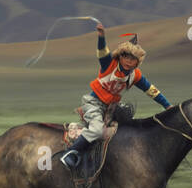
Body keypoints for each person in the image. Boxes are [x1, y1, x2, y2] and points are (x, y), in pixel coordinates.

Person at [59, 25, 172, 170]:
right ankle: (70, 153)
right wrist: (101, 37)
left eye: (133, 58)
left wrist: (168, 106)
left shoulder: (136, 75)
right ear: (120, 56)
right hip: (94, 102)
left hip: (111, 107)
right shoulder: (109, 64)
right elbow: (102, 52)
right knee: (97, 130)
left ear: (138, 62)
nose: (129, 61)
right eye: (126, 56)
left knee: (125, 132)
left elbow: (151, 91)